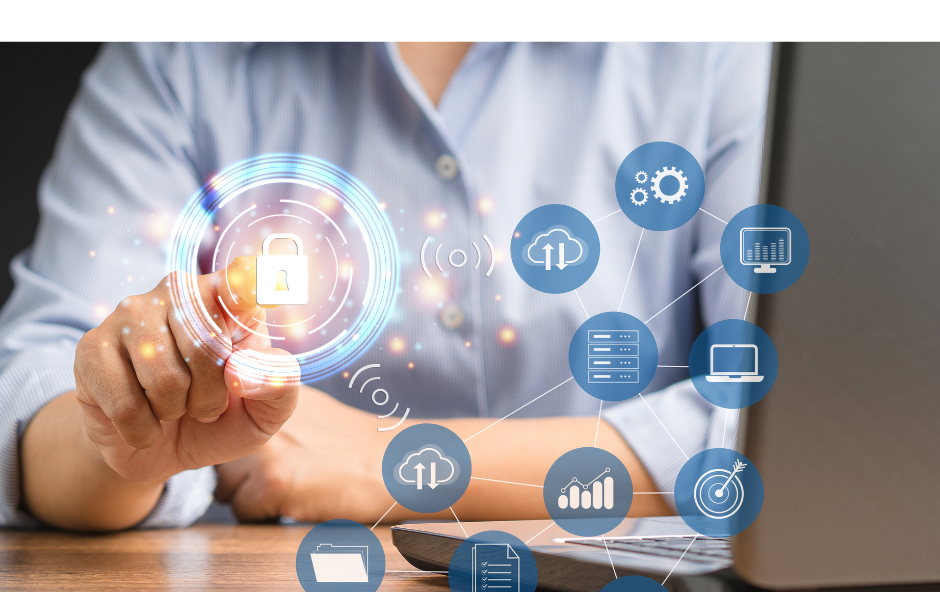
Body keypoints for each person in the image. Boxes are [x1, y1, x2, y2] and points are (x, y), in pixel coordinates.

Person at [0, 43, 771, 531]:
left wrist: (392, 461)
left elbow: (798, 414)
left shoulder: (720, 49)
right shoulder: (176, 58)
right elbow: (33, 393)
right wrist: (121, 435)